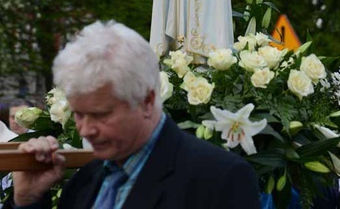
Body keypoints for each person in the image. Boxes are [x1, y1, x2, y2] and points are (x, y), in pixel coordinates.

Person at [8, 21, 260, 209]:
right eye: (78, 114)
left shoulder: (218, 179)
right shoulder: (85, 180)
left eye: (100, 115)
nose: (85, 130)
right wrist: (27, 199)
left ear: (147, 101)